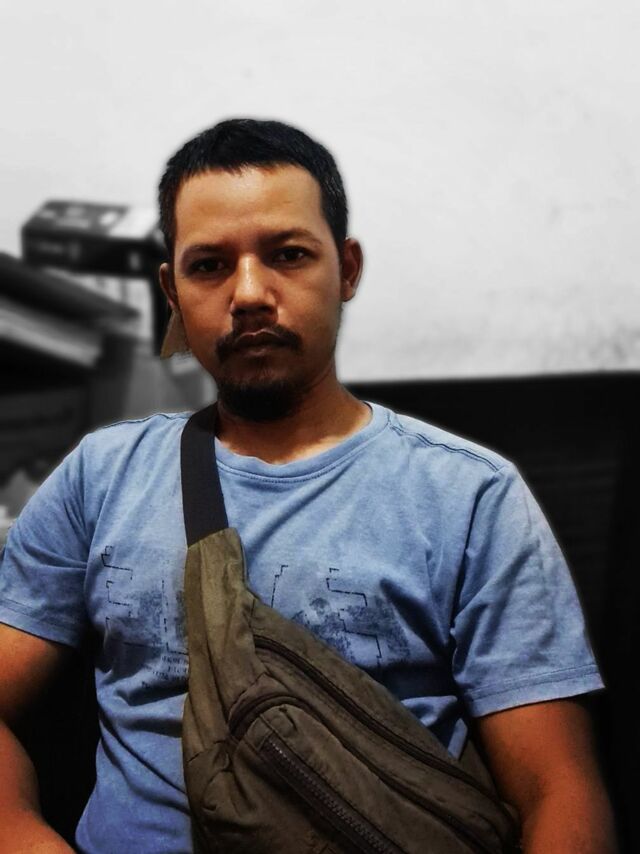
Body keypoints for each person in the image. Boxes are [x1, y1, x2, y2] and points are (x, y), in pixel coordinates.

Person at [0, 119, 617, 854]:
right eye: (209, 266)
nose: (249, 293)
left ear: (346, 270)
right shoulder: (101, 476)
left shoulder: (470, 496)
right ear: (172, 291)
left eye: (288, 255)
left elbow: (557, 789)